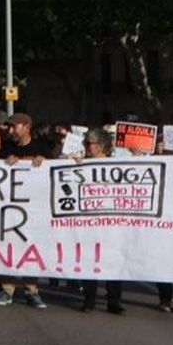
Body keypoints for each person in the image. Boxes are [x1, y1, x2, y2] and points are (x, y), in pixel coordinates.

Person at [0, 113, 51, 308]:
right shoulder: (7, 149)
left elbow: (54, 170)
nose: (10, 131)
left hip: (34, 210)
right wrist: (3, 161)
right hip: (11, 209)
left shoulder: (42, 148)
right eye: (9, 127)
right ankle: (6, 289)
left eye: (14, 127)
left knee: (31, 249)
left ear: (26, 127)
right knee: (9, 247)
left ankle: (32, 290)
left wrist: (43, 161)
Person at [76, 130, 125, 314]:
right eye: (86, 143)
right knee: (89, 259)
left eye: (89, 144)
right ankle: (89, 299)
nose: (86, 147)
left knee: (113, 260)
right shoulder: (82, 163)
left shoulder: (117, 164)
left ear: (102, 146)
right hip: (89, 222)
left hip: (111, 222)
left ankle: (114, 301)